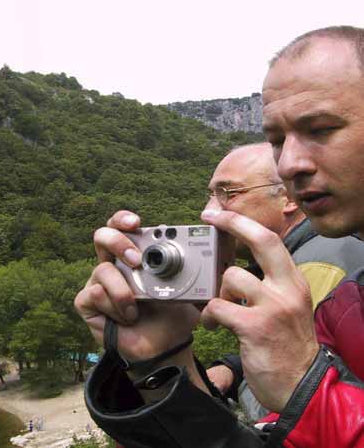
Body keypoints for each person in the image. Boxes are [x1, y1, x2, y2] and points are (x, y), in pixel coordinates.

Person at [76, 26, 364, 447]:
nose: (290, 164)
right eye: (277, 140)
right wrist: (158, 360)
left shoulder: (323, 277)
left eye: (320, 128)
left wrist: (306, 389)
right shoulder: (346, 305)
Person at [197, 144, 364, 422]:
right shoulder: (298, 259)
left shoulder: (319, 268)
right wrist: (232, 368)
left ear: (289, 197)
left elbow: (286, 408)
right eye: (211, 195)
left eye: (227, 193)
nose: (208, 211)